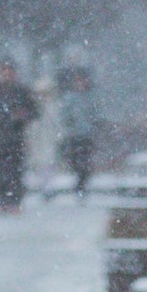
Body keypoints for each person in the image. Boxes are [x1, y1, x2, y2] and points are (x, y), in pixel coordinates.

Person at [0, 57, 40, 212]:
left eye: (10, 71)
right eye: (4, 71)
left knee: (16, 171)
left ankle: (15, 201)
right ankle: (3, 201)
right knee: (0, 170)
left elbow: (35, 111)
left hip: (16, 137)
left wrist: (23, 115)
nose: (7, 75)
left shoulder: (21, 91)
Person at [55, 54, 99, 200]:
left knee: (85, 162)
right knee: (75, 161)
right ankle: (79, 183)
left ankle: (81, 186)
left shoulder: (91, 98)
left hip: (87, 135)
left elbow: (96, 115)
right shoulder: (69, 98)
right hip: (74, 135)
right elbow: (64, 115)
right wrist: (70, 123)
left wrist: (94, 126)